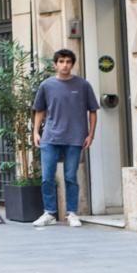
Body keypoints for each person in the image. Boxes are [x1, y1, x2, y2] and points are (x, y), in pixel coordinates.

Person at [31, 49, 98, 228]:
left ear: (72, 64)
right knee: (47, 177)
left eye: (68, 61)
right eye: (61, 61)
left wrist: (91, 134)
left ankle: (72, 213)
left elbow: (93, 111)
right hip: (50, 137)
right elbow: (40, 110)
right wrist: (36, 132)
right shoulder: (46, 85)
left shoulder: (83, 85)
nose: (65, 65)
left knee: (70, 177)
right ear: (55, 64)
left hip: (75, 138)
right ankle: (49, 213)